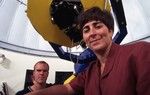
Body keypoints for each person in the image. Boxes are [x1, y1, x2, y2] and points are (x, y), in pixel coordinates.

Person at [27, 6, 150, 95]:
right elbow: (67, 89)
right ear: (84, 39)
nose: (92, 33)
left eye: (98, 26)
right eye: (86, 30)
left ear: (110, 31)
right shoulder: (90, 71)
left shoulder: (140, 52)